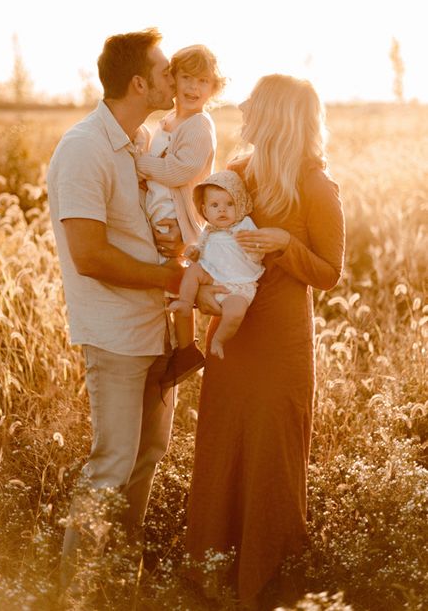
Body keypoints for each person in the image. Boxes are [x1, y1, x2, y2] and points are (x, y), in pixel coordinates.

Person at [185, 74, 345, 608]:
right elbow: (211, 240)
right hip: (233, 340)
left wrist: (284, 244)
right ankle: (209, 582)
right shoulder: (237, 175)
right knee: (221, 448)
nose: (243, 111)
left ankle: (268, 588)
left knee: (274, 460)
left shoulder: (318, 186)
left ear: (276, 115)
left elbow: (329, 273)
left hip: (281, 344)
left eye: (254, 105)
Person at [46, 28, 185, 593]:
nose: (174, 80)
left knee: (147, 457)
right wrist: (173, 277)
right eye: (165, 72)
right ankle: (76, 594)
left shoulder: (143, 141)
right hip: (116, 335)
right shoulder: (83, 148)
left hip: (157, 330)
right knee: (110, 467)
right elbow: (89, 255)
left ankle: (118, 581)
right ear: (138, 83)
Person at [134, 44, 225, 385]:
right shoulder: (168, 121)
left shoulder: (200, 125)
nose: (193, 87)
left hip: (178, 214)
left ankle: (185, 349)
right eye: (186, 77)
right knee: (165, 281)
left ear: (214, 88)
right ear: (172, 79)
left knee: (176, 274)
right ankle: (170, 348)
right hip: (159, 208)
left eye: (203, 81)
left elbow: (180, 171)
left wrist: (140, 165)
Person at [169, 170, 265, 360]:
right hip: (213, 277)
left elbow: (258, 252)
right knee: (193, 270)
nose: (222, 210)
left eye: (230, 204)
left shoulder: (244, 225)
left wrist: (253, 247)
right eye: (215, 205)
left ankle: (219, 340)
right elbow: (201, 253)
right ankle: (186, 304)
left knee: (235, 312)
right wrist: (193, 252)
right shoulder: (209, 231)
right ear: (205, 211)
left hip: (239, 285)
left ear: (241, 204)